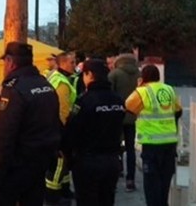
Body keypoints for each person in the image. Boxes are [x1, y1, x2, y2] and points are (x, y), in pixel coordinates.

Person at [0, 42, 60, 206]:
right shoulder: (46, 85)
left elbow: (3, 138)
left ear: (10, 62)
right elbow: (50, 123)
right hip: (39, 165)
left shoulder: (14, 90)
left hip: (15, 169)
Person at [63, 59, 125, 206]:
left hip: (88, 162)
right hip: (112, 160)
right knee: (107, 200)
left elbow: (72, 131)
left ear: (89, 74)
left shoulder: (84, 100)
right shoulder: (117, 100)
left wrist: (68, 157)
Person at [125, 64, 183, 206]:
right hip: (169, 145)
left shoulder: (143, 91)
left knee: (152, 187)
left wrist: (139, 87)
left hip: (151, 145)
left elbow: (128, 105)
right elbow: (178, 110)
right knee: (164, 185)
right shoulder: (168, 89)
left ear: (143, 77)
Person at [45, 51, 77, 204]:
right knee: (59, 163)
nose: (74, 65)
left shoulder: (54, 76)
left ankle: (64, 189)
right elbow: (62, 111)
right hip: (60, 128)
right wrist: (62, 134)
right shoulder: (62, 83)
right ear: (63, 63)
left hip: (51, 126)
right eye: (72, 62)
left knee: (63, 163)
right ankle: (53, 196)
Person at [108, 52, 140, 192]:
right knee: (130, 148)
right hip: (132, 115)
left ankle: (116, 174)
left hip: (117, 115)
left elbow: (109, 94)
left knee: (114, 147)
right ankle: (131, 180)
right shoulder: (138, 75)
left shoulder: (114, 74)